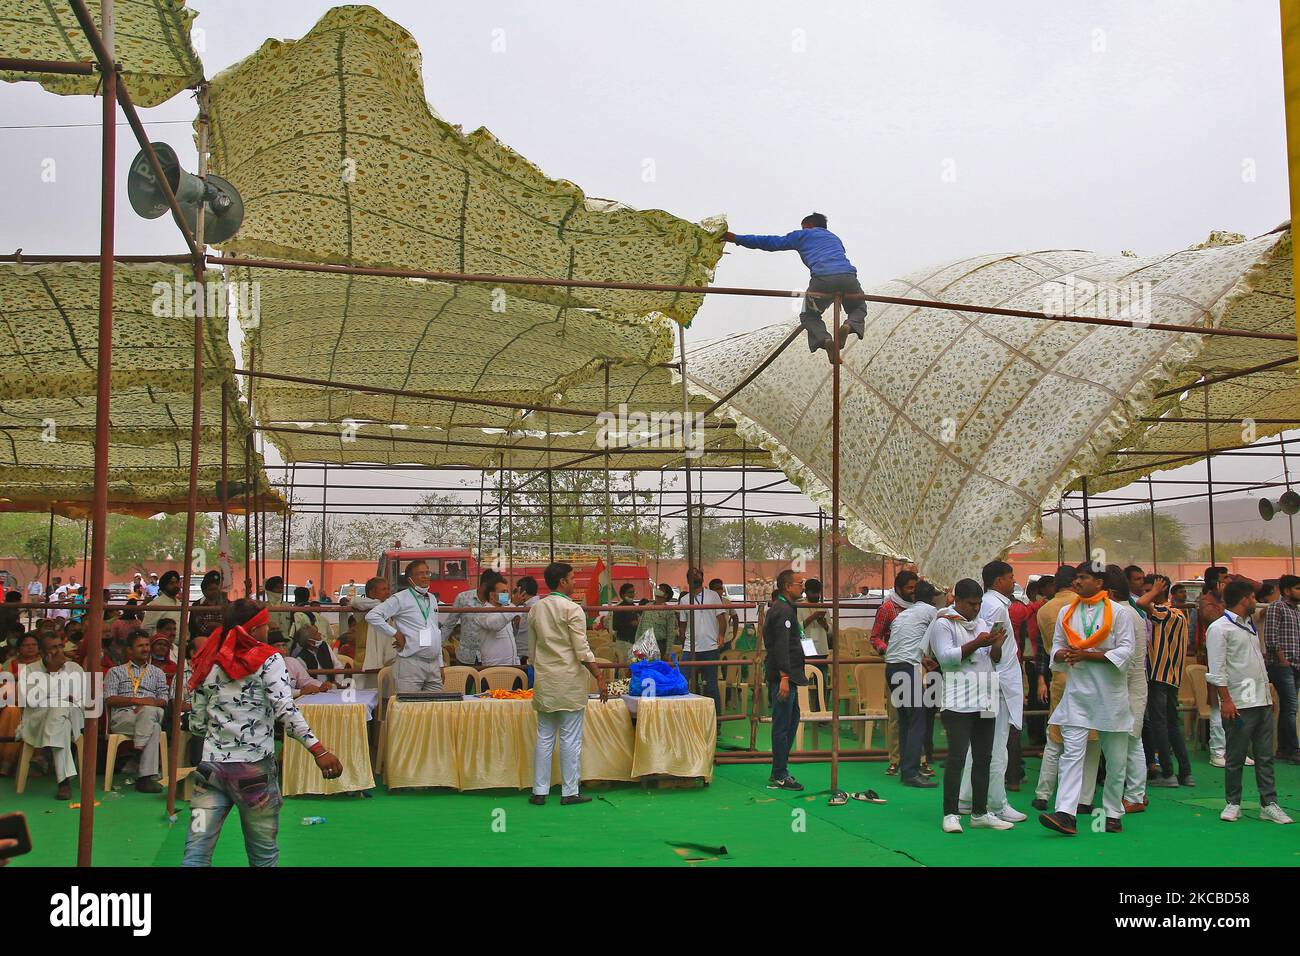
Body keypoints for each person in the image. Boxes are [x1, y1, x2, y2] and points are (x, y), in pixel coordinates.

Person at [183, 599, 342, 866]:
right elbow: (285, 710)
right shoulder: (269, 660)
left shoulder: (209, 657)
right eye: (265, 623)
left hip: (210, 771)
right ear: (254, 629)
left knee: (196, 852)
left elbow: (196, 722)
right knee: (263, 857)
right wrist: (319, 750)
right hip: (253, 772)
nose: (269, 627)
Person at [1039, 562, 1136, 836]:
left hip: (1110, 698)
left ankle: (1113, 812)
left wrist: (1087, 655)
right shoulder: (1066, 614)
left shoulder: (1119, 613)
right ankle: (1066, 814)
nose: (1078, 582)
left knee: (1116, 759)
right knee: (1072, 755)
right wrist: (1064, 655)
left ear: (1100, 582)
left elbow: (1126, 652)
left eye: (1084, 577)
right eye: (1077, 578)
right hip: (1078, 696)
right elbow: (1056, 647)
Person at [928, 578, 1012, 833]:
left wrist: (996, 645)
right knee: (956, 758)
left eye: (978, 604)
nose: (975, 609)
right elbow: (946, 658)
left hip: (985, 698)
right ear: (958, 601)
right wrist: (979, 642)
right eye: (971, 604)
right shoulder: (943, 623)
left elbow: (993, 659)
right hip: (957, 701)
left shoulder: (983, 624)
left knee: (984, 758)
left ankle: (980, 812)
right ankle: (951, 813)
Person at [1206, 579, 1291, 824]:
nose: (1256, 601)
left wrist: (1267, 694)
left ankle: (1269, 803)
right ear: (1244, 599)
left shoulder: (1249, 625)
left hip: (1260, 701)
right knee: (1235, 757)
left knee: (1265, 756)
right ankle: (1233, 803)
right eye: (1253, 597)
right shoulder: (1220, 628)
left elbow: (1256, 663)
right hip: (1239, 703)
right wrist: (1227, 701)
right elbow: (1217, 668)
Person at [724, 212, 868, 354]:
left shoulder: (801, 235)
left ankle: (826, 340)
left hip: (822, 281)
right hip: (848, 278)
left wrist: (736, 238)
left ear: (809, 225)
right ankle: (849, 325)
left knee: (809, 315)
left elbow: (769, 242)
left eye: (803, 227)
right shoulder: (834, 238)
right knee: (858, 306)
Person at [528, 562, 606, 806]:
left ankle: (539, 791)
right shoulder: (573, 610)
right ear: (562, 581)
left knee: (544, 737)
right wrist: (599, 676)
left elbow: (531, 652)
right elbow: (582, 649)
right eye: (572, 578)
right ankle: (569, 792)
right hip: (569, 681)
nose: (575, 582)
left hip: (545, 680)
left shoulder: (536, 609)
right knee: (570, 738)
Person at [959, 561, 1026, 823]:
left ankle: (966, 799)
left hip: (992, 681)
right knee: (997, 747)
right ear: (998, 581)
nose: (1014, 581)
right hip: (998, 683)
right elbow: (991, 649)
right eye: (1010, 577)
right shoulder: (996, 606)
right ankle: (997, 803)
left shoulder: (989, 604)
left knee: (981, 745)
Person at [17, 632, 86, 800]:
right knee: (59, 716)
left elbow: (83, 701)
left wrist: (66, 701)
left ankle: (64, 782)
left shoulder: (75, 668)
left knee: (60, 710)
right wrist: (52, 673)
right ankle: (63, 782)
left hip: (71, 717)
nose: (58, 651)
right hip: (38, 720)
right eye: (53, 648)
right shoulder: (29, 671)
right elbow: (30, 701)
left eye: (60, 646)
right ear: (42, 652)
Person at [884, 579, 939, 788]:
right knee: (918, 718)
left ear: (915, 597)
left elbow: (908, 641)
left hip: (892, 668)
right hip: (906, 669)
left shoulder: (904, 614)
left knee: (907, 719)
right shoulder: (931, 612)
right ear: (932, 598)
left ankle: (907, 769)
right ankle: (910, 772)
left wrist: (922, 658)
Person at [1032, 564, 1078, 811]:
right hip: (1084, 674)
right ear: (1075, 583)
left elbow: (1041, 649)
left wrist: (1041, 678)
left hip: (1057, 675)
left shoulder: (1044, 610)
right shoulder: (1085, 606)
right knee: (1087, 740)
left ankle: (1043, 792)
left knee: (1055, 736)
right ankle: (1080, 797)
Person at [103, 630, 170, 793]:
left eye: (147, 645)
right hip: (124, 716)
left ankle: (137, 750)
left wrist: (148, 704)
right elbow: (109, 699)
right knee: (154, 727)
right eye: (140, 646)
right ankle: (145, 778)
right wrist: (137, 701)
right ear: (130, 650)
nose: (146, 649)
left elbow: (164, 700)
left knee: (149, 712)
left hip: (152, 712)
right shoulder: (115, 671)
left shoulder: (158, 672)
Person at [1106, 566, 1149, 816]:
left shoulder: (1121, 613)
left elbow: (1123, 658)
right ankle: (1136, 792)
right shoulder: (1131, 611)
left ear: (1109, 592)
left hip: (1129, 684)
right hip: (1132, 683)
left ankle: (1134, 795)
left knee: (1131, 741)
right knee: (1132, 740)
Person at [365, 559, 444, 692]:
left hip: (433, 663)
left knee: (434, 709)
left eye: (427, 572)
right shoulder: (400, 598)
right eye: (420, 574)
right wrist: (395, 633)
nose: (425, 576)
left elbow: (435, 631)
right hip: (411, 663)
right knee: (409, 709)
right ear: (410, 579)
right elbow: (372, 616)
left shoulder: (431, 598)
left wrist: (440, 664)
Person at [1145, 575, 1195, 786]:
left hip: (1157, 676)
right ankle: (1186, 773)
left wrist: (1154, 591)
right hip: (1173, 676)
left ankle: (1168, 773)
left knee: (1159, 724)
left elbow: (1140, 603)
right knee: (1173, 725)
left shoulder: (1163, 612)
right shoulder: (1182, 614)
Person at [871, 570, 918, 775]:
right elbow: (875, 637)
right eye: (909, 588)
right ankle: (895, 759)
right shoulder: (888, 608)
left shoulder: (919, 608)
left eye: (915, 588)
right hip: (897, 666)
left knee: (918, 714)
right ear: (898, 588)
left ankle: (919, 759)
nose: (913, 592)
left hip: (917, 665)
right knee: (897, 715)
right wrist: (887, 650)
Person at [765, 569, 807, 791]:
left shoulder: (786, 608)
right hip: (783, 676)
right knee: (783, 724)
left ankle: (778, 769)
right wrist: (783, 676)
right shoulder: (782, 611)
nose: (803, 587)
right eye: (800, 583)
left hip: (789, 676)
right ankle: (780, 774)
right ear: (788, 587)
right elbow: (780, 645)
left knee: (791, 720)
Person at [677, 567, 728, 716]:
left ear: (702, 577)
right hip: (690, 648)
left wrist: (721, 635)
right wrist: (683, 642)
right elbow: (682, 624)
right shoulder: (685, 600)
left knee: (711, 686)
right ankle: (685, 717)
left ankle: (715, 721)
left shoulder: (713, 596)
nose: (695, 576)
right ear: (687, 580)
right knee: (683, 683)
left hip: (710, 647)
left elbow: (721, 619)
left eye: (697, 573)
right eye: (692, 575)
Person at [1263, 574, 1300, 763]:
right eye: (1297, 588)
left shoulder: (1296, 611)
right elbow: (1270, 637)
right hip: (1281, 666)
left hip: (1295, 665)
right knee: (1291, 707)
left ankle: (1284, 750)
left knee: (1288, 707)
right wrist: (1282, 659)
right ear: (1286, 591)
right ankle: (1294, 749)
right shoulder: (1277, 607)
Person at [443, 569, 511, 666]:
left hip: (491, 658)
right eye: (494, 588)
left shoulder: (502, 598)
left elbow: (510, 624)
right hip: (465, 657)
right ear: (484, 585)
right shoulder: (463, 598)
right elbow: (449, 624)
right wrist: (437, 648)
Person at [0, 632, 41, 775]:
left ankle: (34, 762)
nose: (30, 648)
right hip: (14, 702)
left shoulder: (45, 661)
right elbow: (3, 686)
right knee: (12, 712)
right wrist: (16, 677)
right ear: (19, 648)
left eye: (33, 645)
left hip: (38, 703)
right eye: (26, 645)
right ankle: (6, 762)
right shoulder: (10, 663)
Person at [353, 576, 393, 687]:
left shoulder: (389, 608)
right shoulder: (364, 610)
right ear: (372, 593)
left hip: (385, 659)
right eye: (383, 589)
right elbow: (355, 601)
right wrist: (381, 604)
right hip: (366, 659)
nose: (387, 592)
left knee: (385, 694)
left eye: (388, 589)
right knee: (364, 695)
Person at [268, 632, 334, 697]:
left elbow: (305, 680)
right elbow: (275, 692)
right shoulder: (266, 666)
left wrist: (320, 685)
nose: (282, 649)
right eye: (278, 646)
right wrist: (300, 691)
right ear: (269, 648)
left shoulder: (291, 661)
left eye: (283, 645)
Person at [635, 583, 677, 657]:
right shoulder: (647, 606)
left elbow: (670, 632)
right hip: (644, 643)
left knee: (656, 667)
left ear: (666, 595)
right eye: (658, 588)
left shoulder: (669, 611)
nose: (657, 590)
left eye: (661, 589)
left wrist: (668, 652)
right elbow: (640, 626)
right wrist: (636, 643)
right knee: (644, 667)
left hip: (659, 644)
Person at [511, 576, 541, 667]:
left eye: (517, 591)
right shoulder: (529, 606)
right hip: (527, 654)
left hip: (527, 656)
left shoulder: (532, 607)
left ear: (522, 592)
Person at [189, 570, 227, 641]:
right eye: (211, 589)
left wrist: (212, 624)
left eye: (216, 589)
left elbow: (228, 626)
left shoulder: (226, 605)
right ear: (204, 591)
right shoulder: (197, 606)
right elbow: (202, 629)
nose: (215, 592)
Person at [798, 578, 831, 657]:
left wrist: (825, 624)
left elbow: (831, 631)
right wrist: (812, 617)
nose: (816, 595)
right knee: (809, 668)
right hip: (807, 642)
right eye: (813, 593)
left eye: (818, 593)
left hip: (822, 645)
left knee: (822, 668)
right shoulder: (800, 607)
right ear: (806, 592)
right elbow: (797, 628)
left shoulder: (823, 607)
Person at [611, 582, 640, 659]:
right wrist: (630, 624)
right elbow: (615, 626)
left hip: (633, 641)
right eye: (630, 592)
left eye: (633, 592)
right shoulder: (619, 608)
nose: (632, 594)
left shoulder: (634, 607)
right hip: (623, 641)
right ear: (623, 594)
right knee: (624, 666)